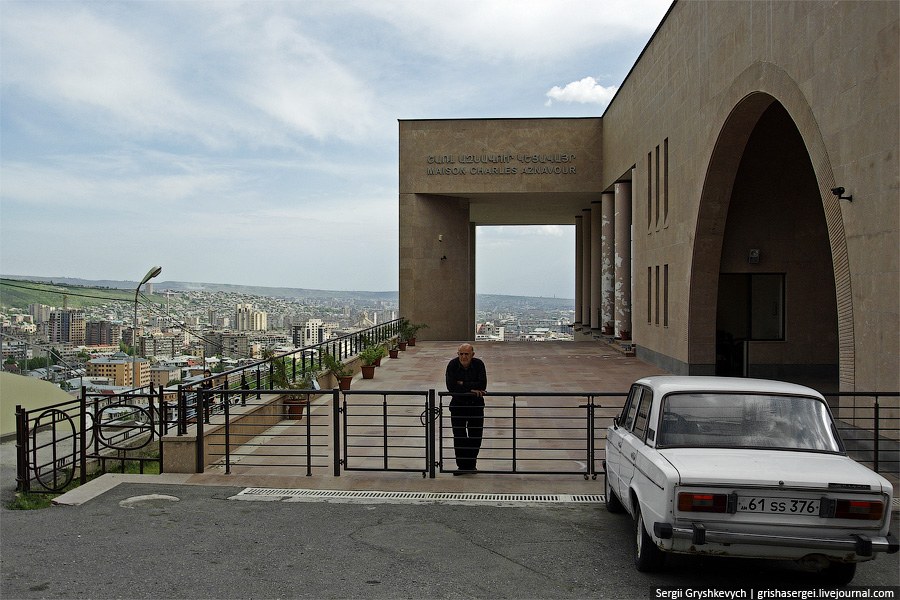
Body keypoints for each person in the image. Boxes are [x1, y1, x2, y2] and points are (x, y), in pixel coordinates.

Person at [445, 343, 487, 474]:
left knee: (475, 437)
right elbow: (451, 387)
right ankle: (462, 466)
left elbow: (482, 384)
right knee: (459, 436)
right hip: (458, 406)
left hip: (476, 406)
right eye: (461, 354)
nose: (463, 357)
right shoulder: (452, 365)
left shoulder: (479, 364)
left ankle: (471, 464)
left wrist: (462, 384)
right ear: (458, 354)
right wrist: (471, 388)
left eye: (466, 354)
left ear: (472, 355)